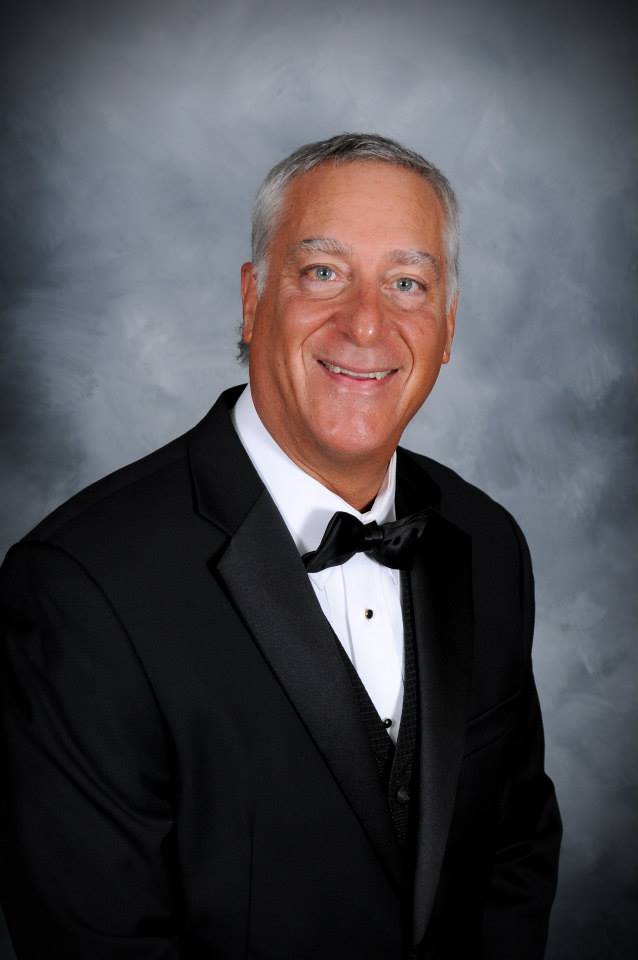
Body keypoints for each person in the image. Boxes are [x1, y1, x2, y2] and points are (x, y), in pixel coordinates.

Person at [0, 133, 561, 959]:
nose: (366, 323)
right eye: (324, 272)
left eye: (407, 283)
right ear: (253, 297)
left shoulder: (489, 541)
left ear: (446, 326)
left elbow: (514, 850)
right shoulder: (78, 587)